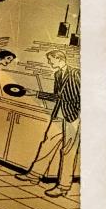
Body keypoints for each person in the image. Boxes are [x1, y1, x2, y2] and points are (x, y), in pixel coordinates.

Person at [15, 50, 80, 197]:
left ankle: (63, 186)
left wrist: (78, 112)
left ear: (59, 58)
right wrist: (35, 93)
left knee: (68, 151)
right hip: (58, 115)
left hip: (73, 118)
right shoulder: (58, 74)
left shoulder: (76, 73)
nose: (50, 63)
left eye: (51, 60)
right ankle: (34, 175)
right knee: (47, 144)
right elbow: (57, 96)